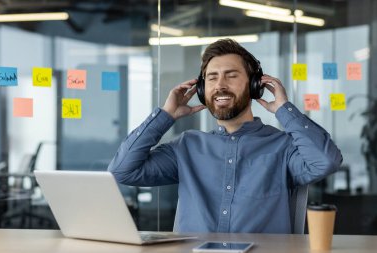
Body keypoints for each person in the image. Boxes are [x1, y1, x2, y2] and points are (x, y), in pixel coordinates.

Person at [108, 39, 343, 233]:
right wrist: (166, 115)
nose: (220, 85)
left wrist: (284, 110)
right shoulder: (186, 147)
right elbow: (122, 170)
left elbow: (326, 161)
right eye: (212, 78)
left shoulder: (282, 147)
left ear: (253, 85)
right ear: (202, 90)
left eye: (231, 76)